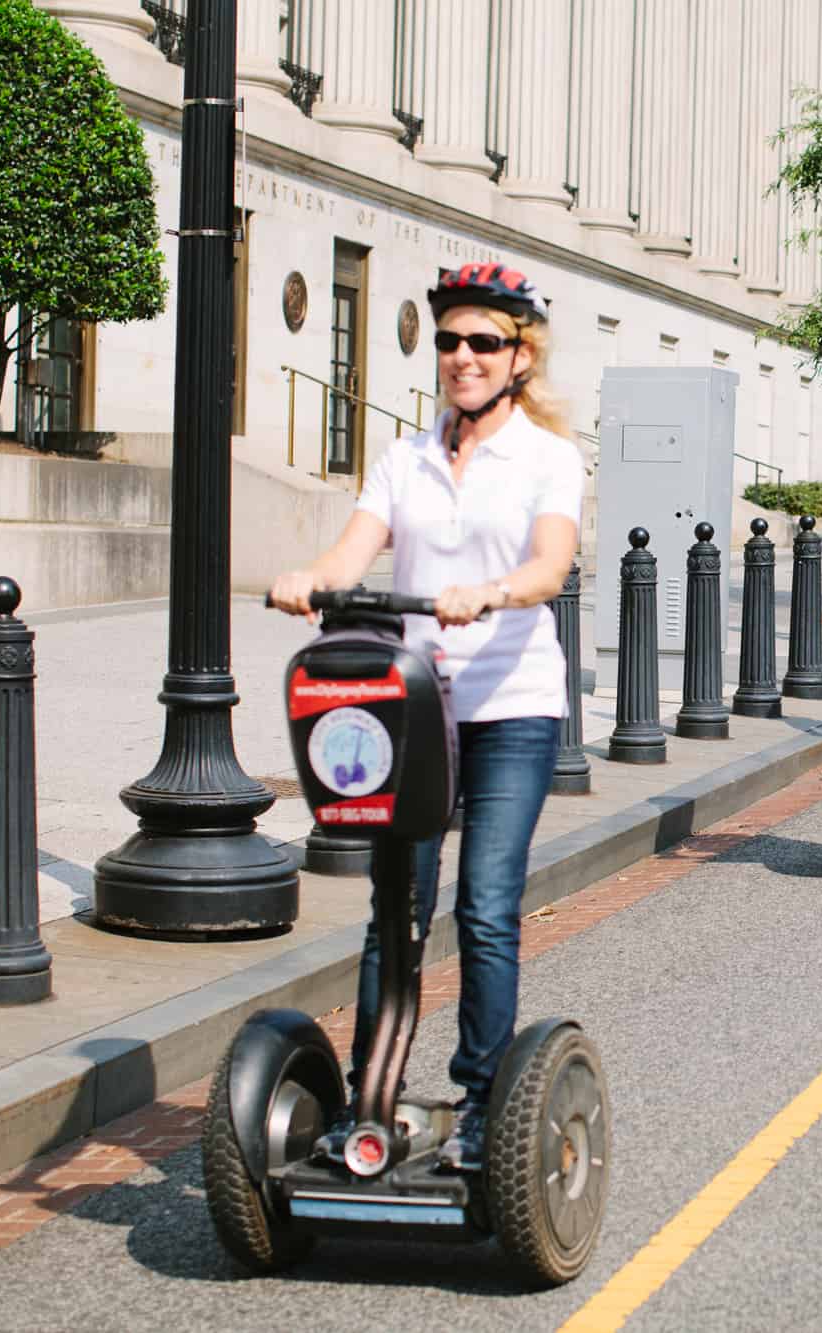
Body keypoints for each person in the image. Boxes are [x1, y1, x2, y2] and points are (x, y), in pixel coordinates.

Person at [268, 262, 582, 1172]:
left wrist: (491, 591)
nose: (461, 356)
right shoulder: (403, 457)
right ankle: (371, 1096)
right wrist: (310, 581)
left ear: (519, 356)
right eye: (449, 340)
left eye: (483, 341)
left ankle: (484, 1103)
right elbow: (352, 548)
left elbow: (550, 566)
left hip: (510, 709)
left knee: (486, 907)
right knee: (395, 910)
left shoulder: (547, 457)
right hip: (410, 712)